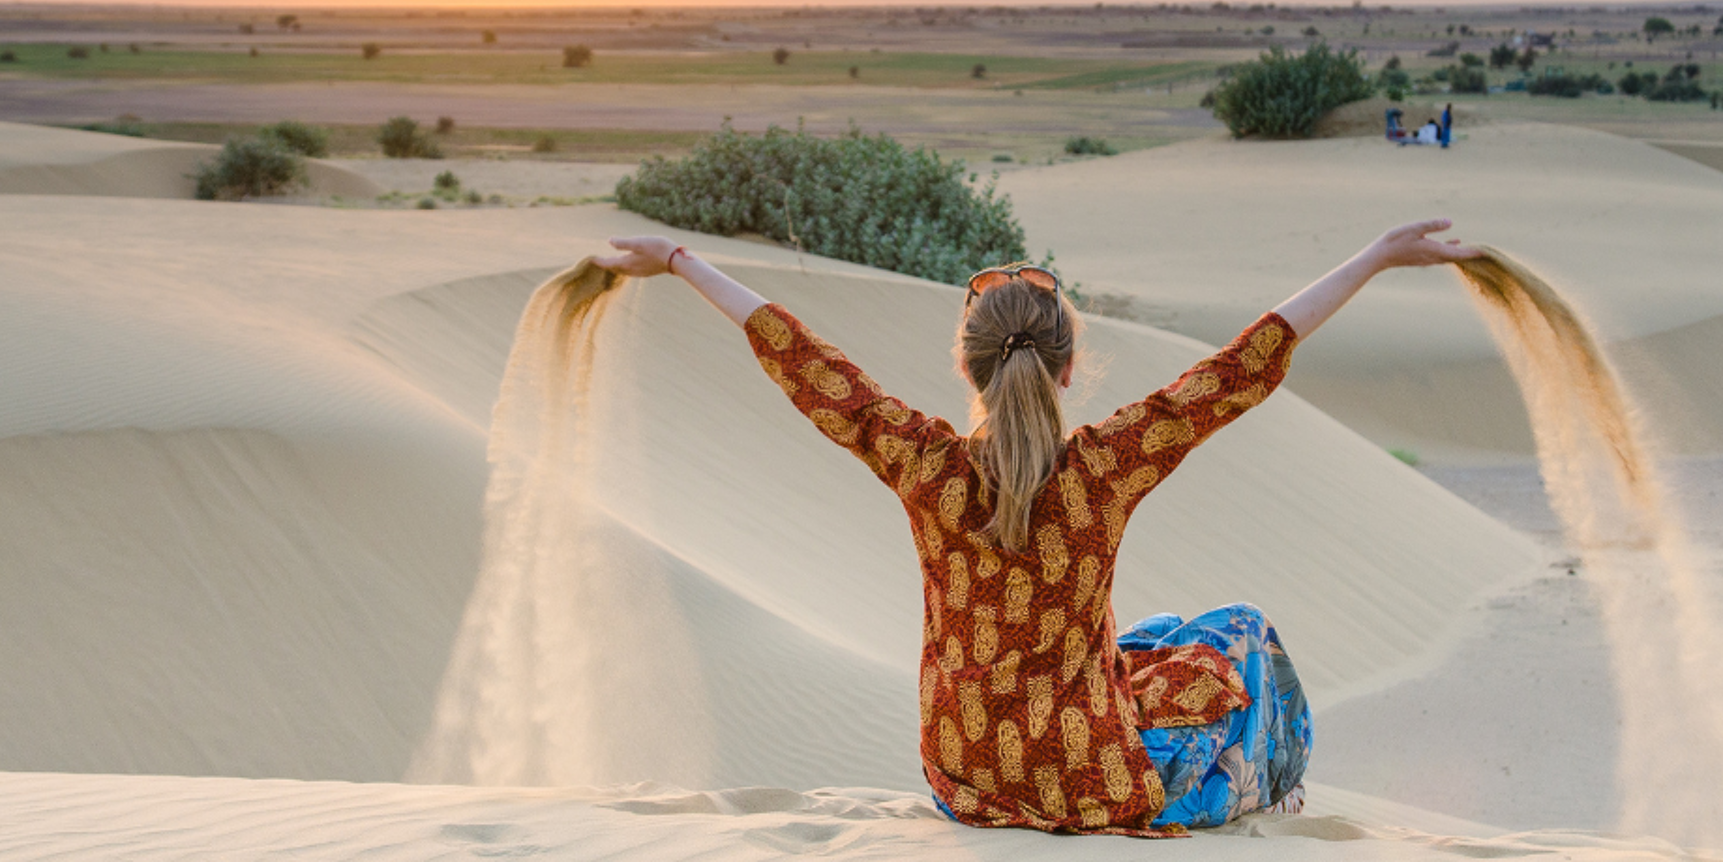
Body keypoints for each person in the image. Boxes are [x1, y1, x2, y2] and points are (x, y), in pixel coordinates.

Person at [592, 221, 1479, 836]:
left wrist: (678, 259)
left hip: (963, 777)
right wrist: (1374, 256)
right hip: (1091, 778)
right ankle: (1262, 804)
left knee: (1154, 643)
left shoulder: (925, 464)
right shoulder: (1105, 467)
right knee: (1237, 636)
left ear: (967, 365)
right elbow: (1239, 370)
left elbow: (810, 366)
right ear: (1067, 368)